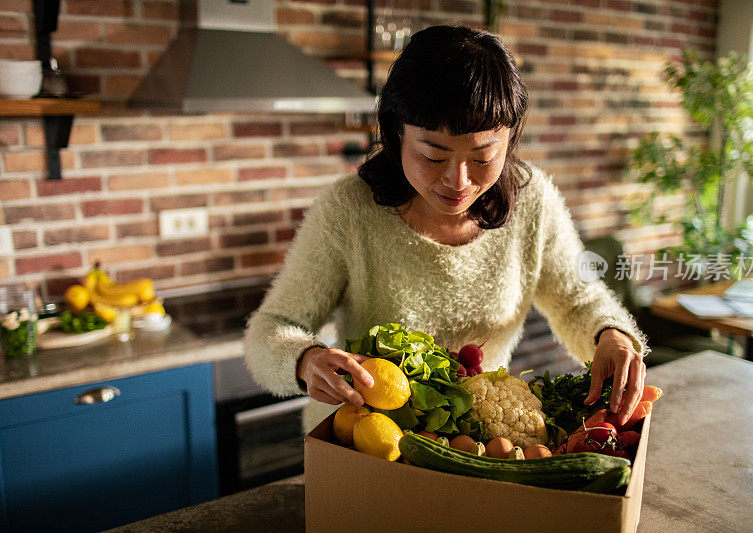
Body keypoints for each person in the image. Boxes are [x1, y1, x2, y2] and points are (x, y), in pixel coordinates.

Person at [244, 25, 649, 434]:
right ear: (395, 132)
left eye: (482, 157)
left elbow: (577, 301)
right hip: (364, 440)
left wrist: (609, 334)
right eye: (433, 156)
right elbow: (271, 327)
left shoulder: (534, 202)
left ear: (510, 141)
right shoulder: (348, 211)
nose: (458, 181)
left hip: (473, 444)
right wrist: (304, 359)